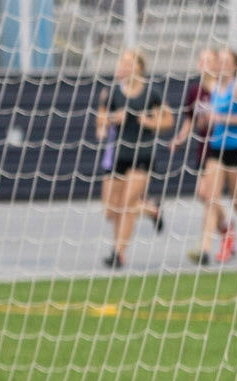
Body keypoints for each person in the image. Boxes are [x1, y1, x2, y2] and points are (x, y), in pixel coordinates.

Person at [94, 48, 172, 269]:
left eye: (128, 63)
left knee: (127, 204)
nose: (123, 67)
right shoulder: (112, 93)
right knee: (111, 210)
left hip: (143, 155)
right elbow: (100, 121)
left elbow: (168, 121)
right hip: (118, 155)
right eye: (122, 63)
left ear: (139, 67)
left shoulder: (151, 93)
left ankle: (118, 253)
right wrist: (112, 119)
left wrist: (150, 122)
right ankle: (152, 209)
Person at [188, 48, 237, 265]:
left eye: (226, 62)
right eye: (219, 61)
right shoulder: (214, 89)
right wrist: (205, 120)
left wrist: (220, 117)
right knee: (210, 197)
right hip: (216, 149)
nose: (221, 65)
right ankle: (204, 248)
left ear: (235, 66)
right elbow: (210, 118)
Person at [171, 48, 224, 252]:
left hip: (222, 147)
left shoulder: (223, 88)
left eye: (208, 60)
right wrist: (180, 138)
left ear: (217, 64)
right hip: (204, 146)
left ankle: (205, 247)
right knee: (204, 194)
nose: (204, 64)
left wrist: (216, 120)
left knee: (208, 194)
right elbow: (190, 119)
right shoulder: (195, 90)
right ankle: (226, 226)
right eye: (201, 60)